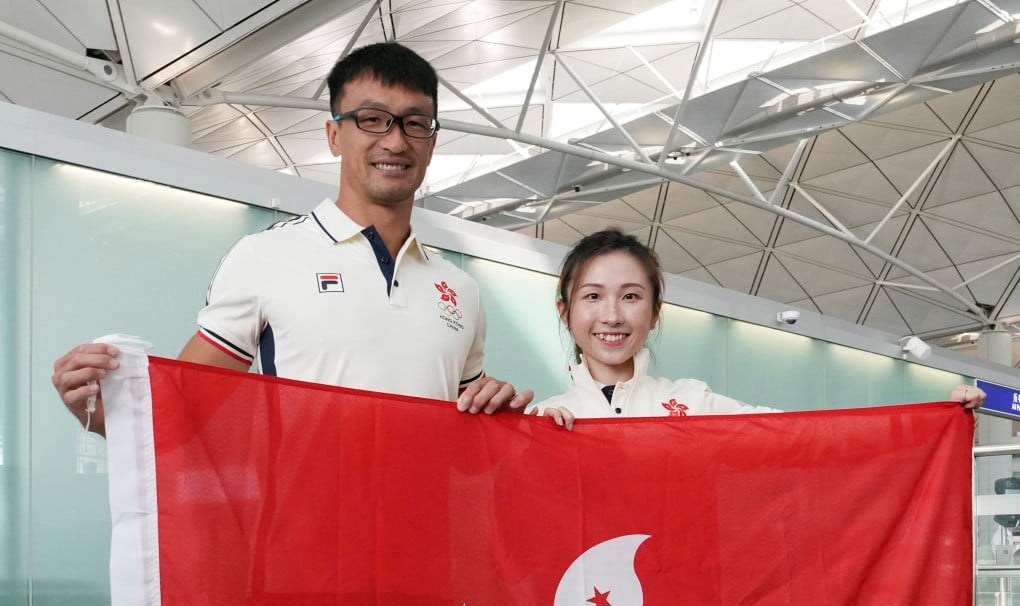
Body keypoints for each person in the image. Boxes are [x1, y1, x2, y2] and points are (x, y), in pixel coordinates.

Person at [51, 42, 532, 436]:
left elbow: (471, 437)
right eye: (371, 118)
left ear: (430, 139)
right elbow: (184, 413)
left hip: (424, 542)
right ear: (333, 135)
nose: (395, 140)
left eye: (414, 122)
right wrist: (97, 413)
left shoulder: (459, 289)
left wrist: (506, 417)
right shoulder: (266, 257)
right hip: (303, 545)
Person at [529, 228, 987, 430]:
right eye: (592, 296)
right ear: (564, 312)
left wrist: (932, 418)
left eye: (631, 296)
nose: (611, 315)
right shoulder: (540, 421)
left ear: (655, 313)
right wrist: (534, 445)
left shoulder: (692, 402)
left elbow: (803, 435)